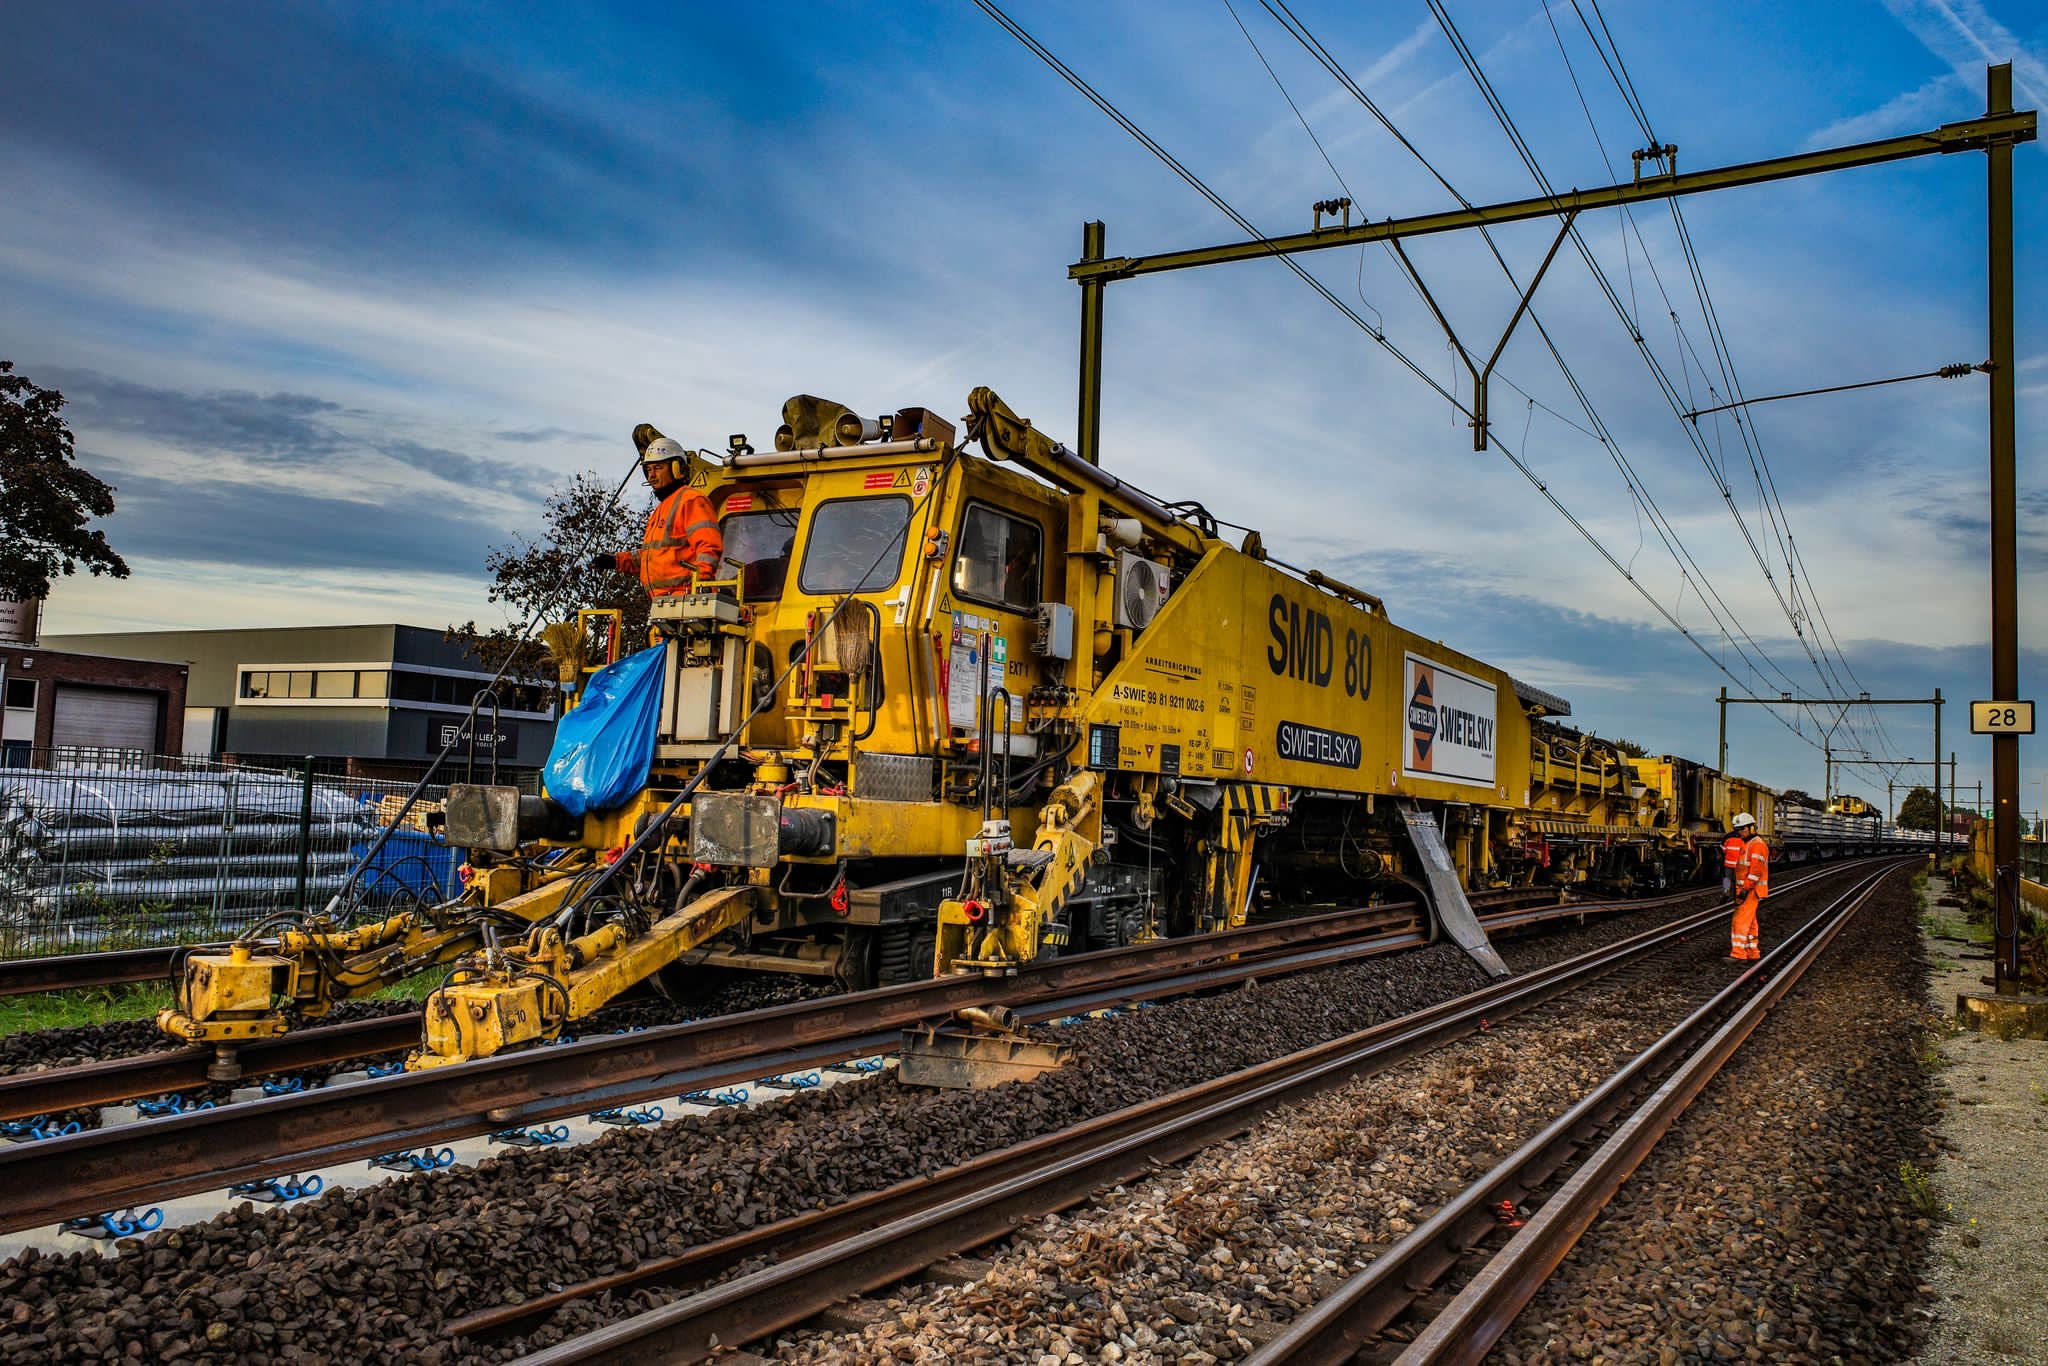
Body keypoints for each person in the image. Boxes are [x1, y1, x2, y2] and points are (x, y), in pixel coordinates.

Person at [591, 426, 723, 599]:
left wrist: (702, 583)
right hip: (666, 603)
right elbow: (653, 557)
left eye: (658, 468)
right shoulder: (662, 509)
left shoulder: (690, 500)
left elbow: (708, 546)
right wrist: (617, 561)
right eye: (649, 469)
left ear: (677, 469)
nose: (651, 475)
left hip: (686, 600)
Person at [1728, 811, 1768, 961]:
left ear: (1751, 827)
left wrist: (1745, 889)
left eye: (1742, 828)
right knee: (1750, 922)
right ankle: (1752, 952)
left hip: (1750, 890)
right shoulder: (1747, 844)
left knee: (1740, 920)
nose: (1740, 832)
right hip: (1746, 889)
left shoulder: (1757, 845)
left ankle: (1738, 954)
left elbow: (1755, 872)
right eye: (1737, 829)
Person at [1720, 822, 1746, 897]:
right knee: (1737, 879)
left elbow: (1723, 849)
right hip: (1739, 864)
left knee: (1727, 877)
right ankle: (1736, 893)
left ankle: (1726, 891)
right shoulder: (1744, 837)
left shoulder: (1727, 837)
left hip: (1728, 863)